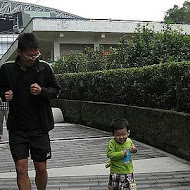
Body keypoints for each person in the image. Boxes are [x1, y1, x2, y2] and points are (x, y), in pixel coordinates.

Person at [0, 33, 61, 190]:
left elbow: (56, 90)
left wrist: (42, 91)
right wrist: (4, 94)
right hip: (17, 128)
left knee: (41, 168)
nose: (33, 58)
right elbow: (0, 88)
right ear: (19, 52)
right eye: (30, 55)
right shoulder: (7, 70)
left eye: (36, 54)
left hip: (40, 128)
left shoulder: (44, 68)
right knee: (21, 169)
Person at [106, 118, 137, 190]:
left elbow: (133, 148)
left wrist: (134, 150)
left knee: (129, 188)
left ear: (128, 133)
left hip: (128, 170)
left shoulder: (129, 141)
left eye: (124, 134)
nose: (121, 137)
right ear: (113, 134)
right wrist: (122, 154)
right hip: (116, 172)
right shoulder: (112, 143)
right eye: (118, 135)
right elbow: (110, 154)